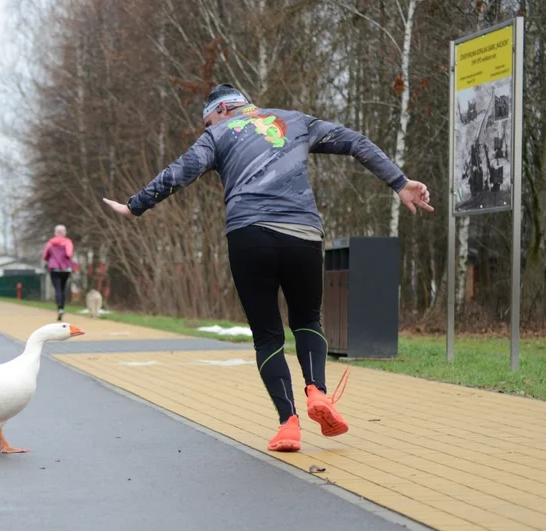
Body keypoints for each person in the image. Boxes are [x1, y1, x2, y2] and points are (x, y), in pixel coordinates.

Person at [102, 83, 433, 453]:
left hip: (249, 236)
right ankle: (317, 393)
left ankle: (288, 424)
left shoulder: (219, 135)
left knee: (267, 335)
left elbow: (181, 171)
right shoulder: (295, 121)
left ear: (224, 110)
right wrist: (400, 182)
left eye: (208, 121)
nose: (208, 128)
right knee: (308, 319)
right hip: (303, 234)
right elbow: (354, 141)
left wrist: (135, 206)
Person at [42, 225, 75, 320]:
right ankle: (62, 308)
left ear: (55, 233)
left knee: (57, 289)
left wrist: (52, 258)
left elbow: (45, 256)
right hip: (65, 269)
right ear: (64, 232)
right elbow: (69, 254)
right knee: (63, 289)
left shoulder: (50, 243)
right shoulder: (68, 242)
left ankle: (59, 308)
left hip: (54, 269)